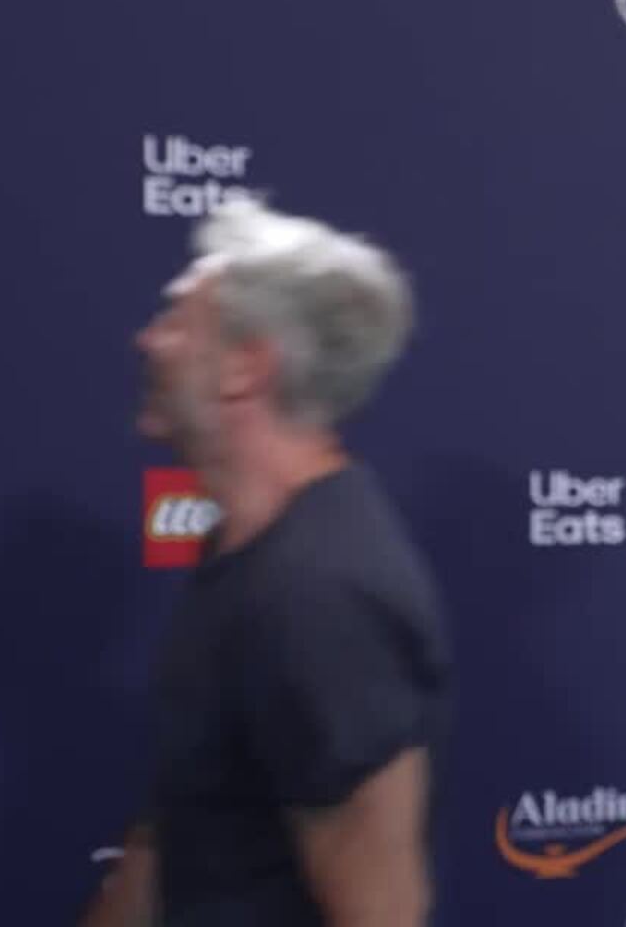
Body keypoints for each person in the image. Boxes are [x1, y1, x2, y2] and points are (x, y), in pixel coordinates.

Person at [81, 197, 451, 927]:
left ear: (244, 368)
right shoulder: (244, 553)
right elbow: (180, 824)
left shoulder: (320, 592)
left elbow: (380, 911)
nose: (148, 341)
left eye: (177, 321)